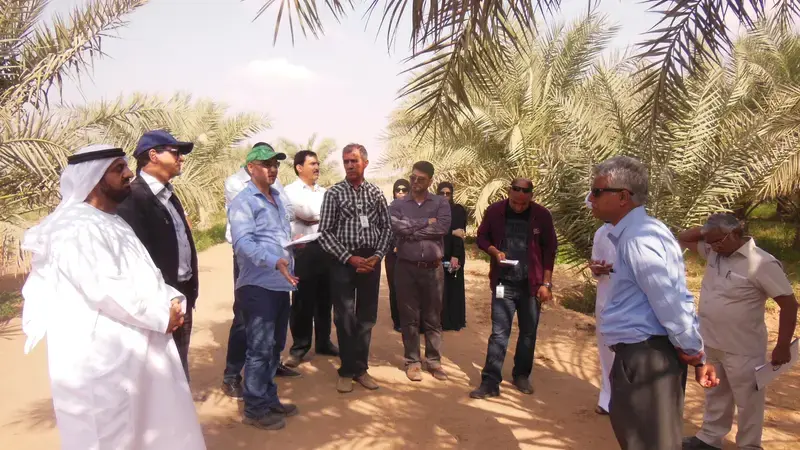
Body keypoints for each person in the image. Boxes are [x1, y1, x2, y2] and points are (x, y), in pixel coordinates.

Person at [20, 144, 205, 449]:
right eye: (118, 169)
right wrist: (162, 314)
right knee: (109, 435)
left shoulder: (112, 221)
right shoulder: (74, 227)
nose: (129, 173)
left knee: (152, 428)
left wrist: (171, 300)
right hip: (101, 360)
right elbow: (105, 287)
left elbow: (145, 274)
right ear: (93, 178)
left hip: (136, 350)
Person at [589, 155, 719, 450]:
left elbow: (669, 301)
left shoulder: (638, 239)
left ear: (622, 197)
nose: (591, 198)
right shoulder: (646, 231)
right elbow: (677, 294)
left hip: (646, 358)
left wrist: (694, 351)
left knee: (649, 443)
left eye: (597, 192)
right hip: (646, 354)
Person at [678, 213, 798, 450]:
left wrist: (783, 345)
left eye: (718, 241)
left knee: (748, 401)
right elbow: (683, 238)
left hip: (743, 347)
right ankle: (710, 438)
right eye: (709, 242)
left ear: (735, 234)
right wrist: (706, 233)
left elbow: (789, 304)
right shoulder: (715, 252)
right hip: (711, 341)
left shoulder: (762, 263)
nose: (712, 246)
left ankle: (749, 445)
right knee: (715, 393)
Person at [228, 144, 300, 430]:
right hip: (258, 286)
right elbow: (243, 244)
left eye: (275, 164)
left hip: (280, 284)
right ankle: (255, 410)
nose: (273, 169)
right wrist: (274, 260)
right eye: (266, 164)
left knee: (274, 347)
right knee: (258, 349)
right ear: (250, 168)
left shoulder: (278, 199)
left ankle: (269, 399)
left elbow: (280, 235)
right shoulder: (244, 202)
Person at [117, 129, 199, 381]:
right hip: (159, 304)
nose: (181, 159)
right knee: (161, 374)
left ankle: (181, 417)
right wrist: (161, 299)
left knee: (179, 365)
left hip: (181, 295)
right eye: (175, 153)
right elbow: (137, 257)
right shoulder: (133, 198)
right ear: (153, 155)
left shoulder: (169, 194)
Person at [470, 178, 557, 399]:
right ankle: (490, 382)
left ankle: (521, 375)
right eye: (515, 202)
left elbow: (550, 249)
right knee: (499, 333)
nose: (518, 206)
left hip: (532, 286)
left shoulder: (542, 215)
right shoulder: (495, 211)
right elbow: (481, 237)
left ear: (531, 197)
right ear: (509, 193)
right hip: (503, 283)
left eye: (523, 203)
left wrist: (546, 284)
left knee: (528, 333)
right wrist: (493, 251)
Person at [318, 143, 393, 393]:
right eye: (346, 161)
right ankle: (346, 370)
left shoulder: (376, 193)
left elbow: (387, 229)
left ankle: (361, 369)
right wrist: (349, 258)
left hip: (371, 262)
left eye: (354, 161)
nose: (350, 165)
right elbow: (325, 234)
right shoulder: (334, 193)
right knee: (344, 317)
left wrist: (377, 256)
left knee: (367, 317)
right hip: (343, 262)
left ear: (365, 163)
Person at [390, 162, 452, 382]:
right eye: (413, 178)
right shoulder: (397, 204)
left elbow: (443, 228)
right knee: (409, 317)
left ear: (430, 181)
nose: (415, 182)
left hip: (433, 270)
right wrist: (426, 222)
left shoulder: (441, 202)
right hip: (406, 267)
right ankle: (412, 361)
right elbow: (397, 227)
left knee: (433, 317)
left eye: (421, 179)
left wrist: (411, 229)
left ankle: (434, 362)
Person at [283, 150, 339, 368]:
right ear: (299, 167)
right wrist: (316, 216)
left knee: (325, 301)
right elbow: (304, 212)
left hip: (325, 249)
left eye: (318, 164)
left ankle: (323, 342)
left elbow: (330, 216)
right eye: (312, 164)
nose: (317, 167)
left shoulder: (325, 192)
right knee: (302, 302)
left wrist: (313, 217)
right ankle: (299, 348)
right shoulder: (290, 191)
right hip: (303, 250)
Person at [587, 195, 615, 416]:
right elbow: (596, 261)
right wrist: (596, 268)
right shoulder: (600, 233)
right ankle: (607, 397)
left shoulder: (639, 232)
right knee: (606, 350)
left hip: (630, 302)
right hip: (605, 297)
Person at [437, 182, 467, 331]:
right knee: (439, 289)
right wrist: (450, 232)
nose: (444, 196)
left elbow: (459, 235)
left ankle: (454, 321)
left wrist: (455, 256)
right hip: (437, 254)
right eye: (441, 193)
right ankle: (440, 321)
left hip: (454, 253)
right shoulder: (433, 211)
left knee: (453, 287)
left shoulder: (457, 210)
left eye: (448, 193)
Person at [386, 178, 410, 332]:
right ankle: (398, 321)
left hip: (410, 255)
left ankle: (410, 320)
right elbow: (385, 230)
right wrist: (394, 246)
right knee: (395, 288)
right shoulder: (388, 210)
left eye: (404, 190)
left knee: (410, 289)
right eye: (398, 190)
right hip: (393, 255)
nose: (401, 193)